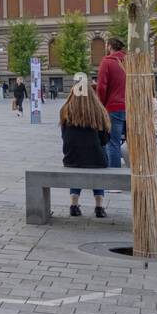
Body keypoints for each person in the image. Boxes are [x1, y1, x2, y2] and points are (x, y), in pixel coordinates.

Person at [60, 83, 111, 218]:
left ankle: (74, 204)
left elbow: (64, 137)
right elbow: (105, 139)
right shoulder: (99, 111)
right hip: (97, 161)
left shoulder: (65, 111)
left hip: (71, 159)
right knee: (98, 152)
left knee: (79, 159)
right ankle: (99, 206)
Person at [95, 37, 127, 168]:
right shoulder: (130, 61)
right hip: (133, 108)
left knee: (113, 143)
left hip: (114, 108)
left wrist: (100, 105)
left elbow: (101, 87)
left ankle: (115, 180)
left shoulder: (107, 62)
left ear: (109, 46)